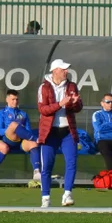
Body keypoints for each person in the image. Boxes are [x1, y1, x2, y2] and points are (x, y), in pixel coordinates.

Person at [37, 59, 83, 208]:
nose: (66, 71)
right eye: (63, 69)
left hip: (67, 131)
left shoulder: (71, 86)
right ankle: (46, 197)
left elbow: (77, 108)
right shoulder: (43, 88)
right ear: (55, 70)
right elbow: (43, 110)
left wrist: (75, 102)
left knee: (71, 163)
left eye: (66, 69)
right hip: (50, 132)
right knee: (47, 166)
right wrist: (60, 104)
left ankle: (67, 194)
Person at [0, 88, 43, 187]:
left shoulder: (23, 114)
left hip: (21, 141)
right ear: (7, 99)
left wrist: (21, 131)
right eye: (13, 99)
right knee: (14, 125)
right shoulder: (1, 113)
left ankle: (37, 172)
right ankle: (35, 138)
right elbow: (0, 131)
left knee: (33, 143)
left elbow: (28, 131)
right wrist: (15, 129)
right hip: (7, 141)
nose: (15, 101)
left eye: (17, 99)